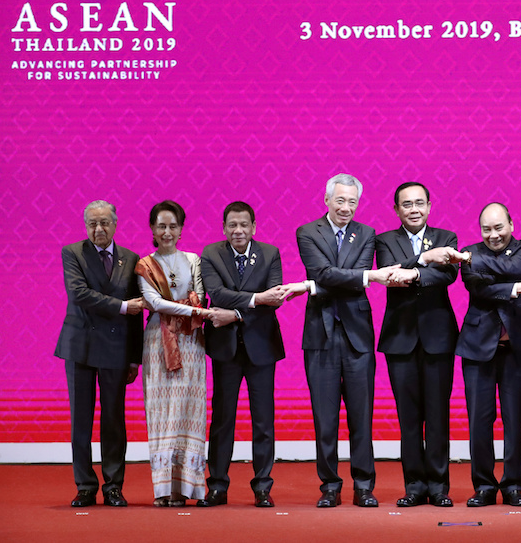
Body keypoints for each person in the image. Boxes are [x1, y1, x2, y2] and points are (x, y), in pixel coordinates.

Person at [294, 173, 401, 508]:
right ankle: (329, 486)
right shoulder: (307, 232)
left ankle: (364, 486)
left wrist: (345, 278)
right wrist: (367, 277)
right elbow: (322, 274)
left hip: (358, 336)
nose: (345, 207)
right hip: (320, 334)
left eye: (352, 202)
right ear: (327, 200)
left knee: (361, 417)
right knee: (325, 418)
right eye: (340, 200)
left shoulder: (366, 233)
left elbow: (338, 279)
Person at [456, 202, 521, 507]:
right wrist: (519, 288)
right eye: (486, 229)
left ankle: (514, 485)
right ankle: (483, 486)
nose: (493, 235)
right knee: (479, 421)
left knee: (516, 421)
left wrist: (481, 267)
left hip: (517, 347)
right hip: (477, 348)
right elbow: (477, 289)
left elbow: (518, 270)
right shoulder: (468, 251)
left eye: (499, 227)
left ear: (511, 225)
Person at [136, 200, 233, 507]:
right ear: (152, 229)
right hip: (158, 342)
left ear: (181, 229)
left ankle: (187, 488)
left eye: (173, 226)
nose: (167, 232)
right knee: (162, 412)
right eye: (161, 226)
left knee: (190, 410)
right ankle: (164, 489)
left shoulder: (193, 260)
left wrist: (194, 308)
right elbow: (154, 303)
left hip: (191, 341)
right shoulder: (144, 265)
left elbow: (201, 296)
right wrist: (192, 309)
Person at [198, 201, 291, 508]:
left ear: (253, 227)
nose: (238, 230)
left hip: (261, 346)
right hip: (225, 348)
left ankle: (263, 486)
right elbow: (217, 294)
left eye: (244, 225)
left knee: (263, 420)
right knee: (222, 419)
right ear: (224, 228)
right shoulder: (211, 254)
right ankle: (217, 486)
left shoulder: (270, 253)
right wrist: (256, 299)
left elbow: (275, 298)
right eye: (232, 225)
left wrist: (237, 313)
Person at [375, 182, 463, 508]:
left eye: (420, 203)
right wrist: (425, 259)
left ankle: (439, 486)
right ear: (397, 209)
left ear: (429, 206)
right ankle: (414, 485)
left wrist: (412, 273)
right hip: (400, 339)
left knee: (438, 416)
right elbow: (389, 274)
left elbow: (447, 276)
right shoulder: (385, 240)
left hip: (438, 337)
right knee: (408, 418)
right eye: (407, 204)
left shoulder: (447, 237)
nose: (414, 209)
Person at [56, 200, 145, 508]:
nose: (98, 229)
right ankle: (84, 486)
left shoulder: (131, 259)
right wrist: (122, 306)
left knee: (113, 419)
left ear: (115, 225)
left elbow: (137, 313)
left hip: (117, 349)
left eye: (104, 222)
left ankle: (113, 486)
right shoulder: (73, 253)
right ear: (86, 226)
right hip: (80, 347)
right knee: (81, 420)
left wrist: (135, 357)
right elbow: (79, 294)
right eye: (92, 223)